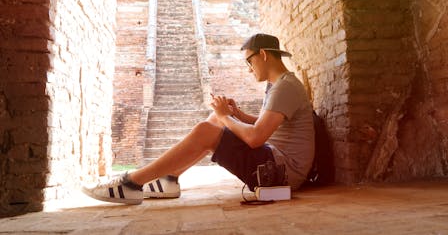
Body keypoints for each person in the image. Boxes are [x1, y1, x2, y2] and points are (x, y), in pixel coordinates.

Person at [82, 33, 314, 204]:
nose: (248, 69)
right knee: (214, 119)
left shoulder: (285, 87)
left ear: (262, 55)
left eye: (249, 61)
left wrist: (226, 117)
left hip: (283, 174)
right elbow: (266, 124)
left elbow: (255, 139)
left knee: (207, 129)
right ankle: (170, 179)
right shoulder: (279, 86)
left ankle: (131, 183)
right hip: (276, 161)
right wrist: (237, 115)